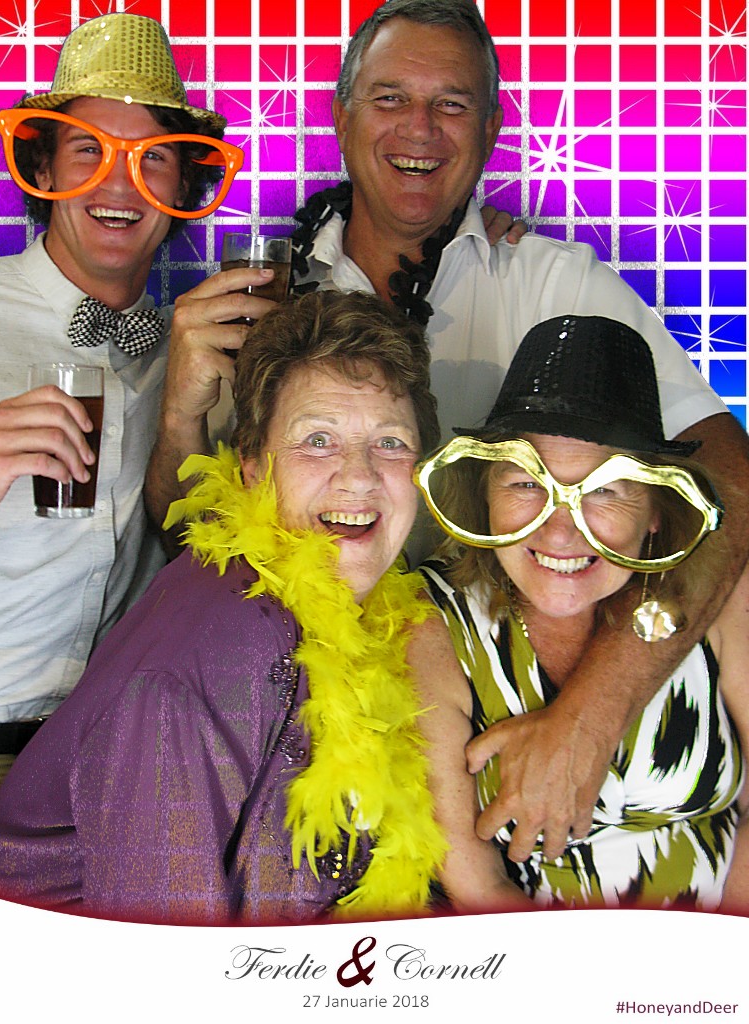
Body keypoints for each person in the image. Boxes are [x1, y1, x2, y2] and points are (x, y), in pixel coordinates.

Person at [146, 0, 749, 862]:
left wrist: (595, 709)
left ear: (492, 129)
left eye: (452, 104)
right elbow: (191, 542)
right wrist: (178, 416)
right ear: (341, 117)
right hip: (302, 732)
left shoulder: (553, 282)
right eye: (390, 97)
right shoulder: (258, 295)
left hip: (512, 723)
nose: (420, 129)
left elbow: (731, 481)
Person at [0, 289, 449, 925]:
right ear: (252, 470)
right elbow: (167, 961)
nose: (360, 476)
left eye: (390, 442)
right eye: (318, 439)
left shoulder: (381, 624)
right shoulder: (218, 649)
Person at [0, 13, 246, 802]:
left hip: (110, 771)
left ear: (183, 188)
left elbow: (206, 564)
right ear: (44, 166)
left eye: (152, 157)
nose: (120, 183)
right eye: (88, 149)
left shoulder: (191, 354)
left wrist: (181, 418)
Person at [413, 314, 749, 910]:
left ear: (656, 510)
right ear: (484, 494)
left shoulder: (720, 597)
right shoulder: (429, 622)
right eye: (526, 483)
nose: (561, 530)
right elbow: (476, 885)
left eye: (605, 490)